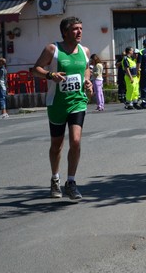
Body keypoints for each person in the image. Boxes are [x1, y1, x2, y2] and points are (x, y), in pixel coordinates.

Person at [32, 16, 93, 200]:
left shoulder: (85, 50)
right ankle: (55, 179)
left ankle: (71, 182)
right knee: (56, 145)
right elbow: (35, 69)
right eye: (75, 29)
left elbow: (86, 68)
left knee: (75, 141)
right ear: (65, 32)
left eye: (81, 28)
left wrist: (87, 81)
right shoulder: (53, 49)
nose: (79, 31)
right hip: (57, 103)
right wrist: (51, 75)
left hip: (77, 101)